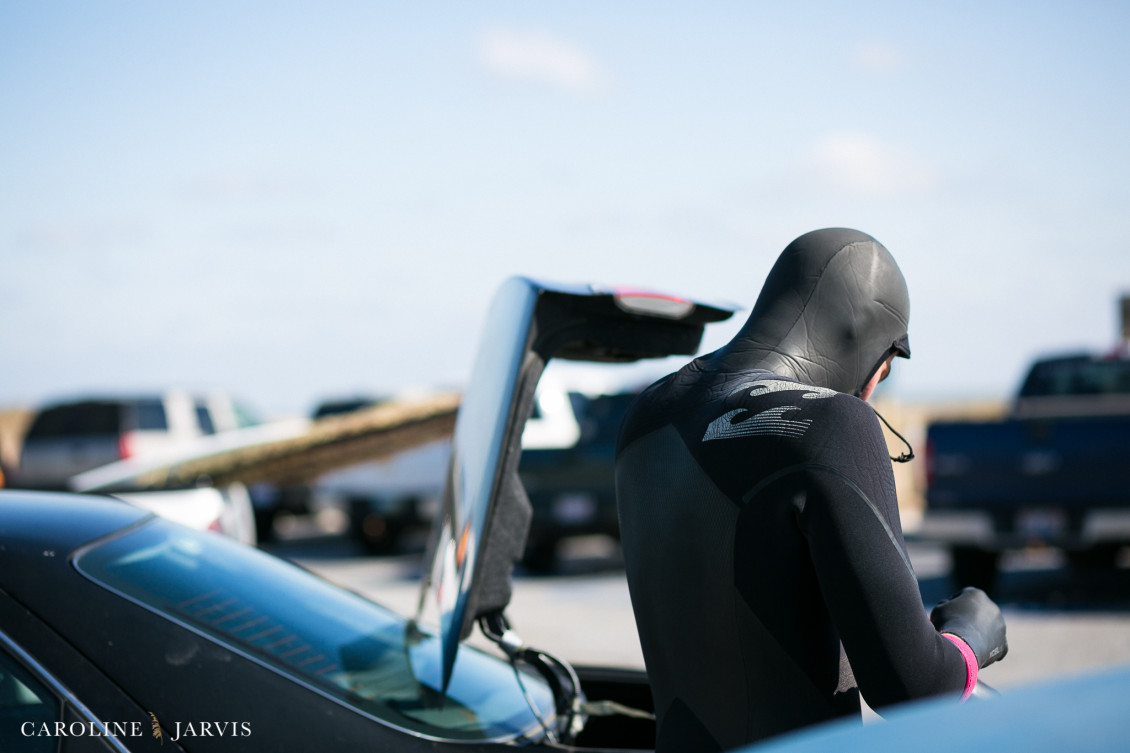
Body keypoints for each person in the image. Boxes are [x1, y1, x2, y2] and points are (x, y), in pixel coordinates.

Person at [615, 228, 1007, 751]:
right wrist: (972, 633)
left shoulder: (648, 412)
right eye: (882, 374)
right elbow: (916, 688)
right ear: (871, 345)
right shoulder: (827, 423)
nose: (870, 394)